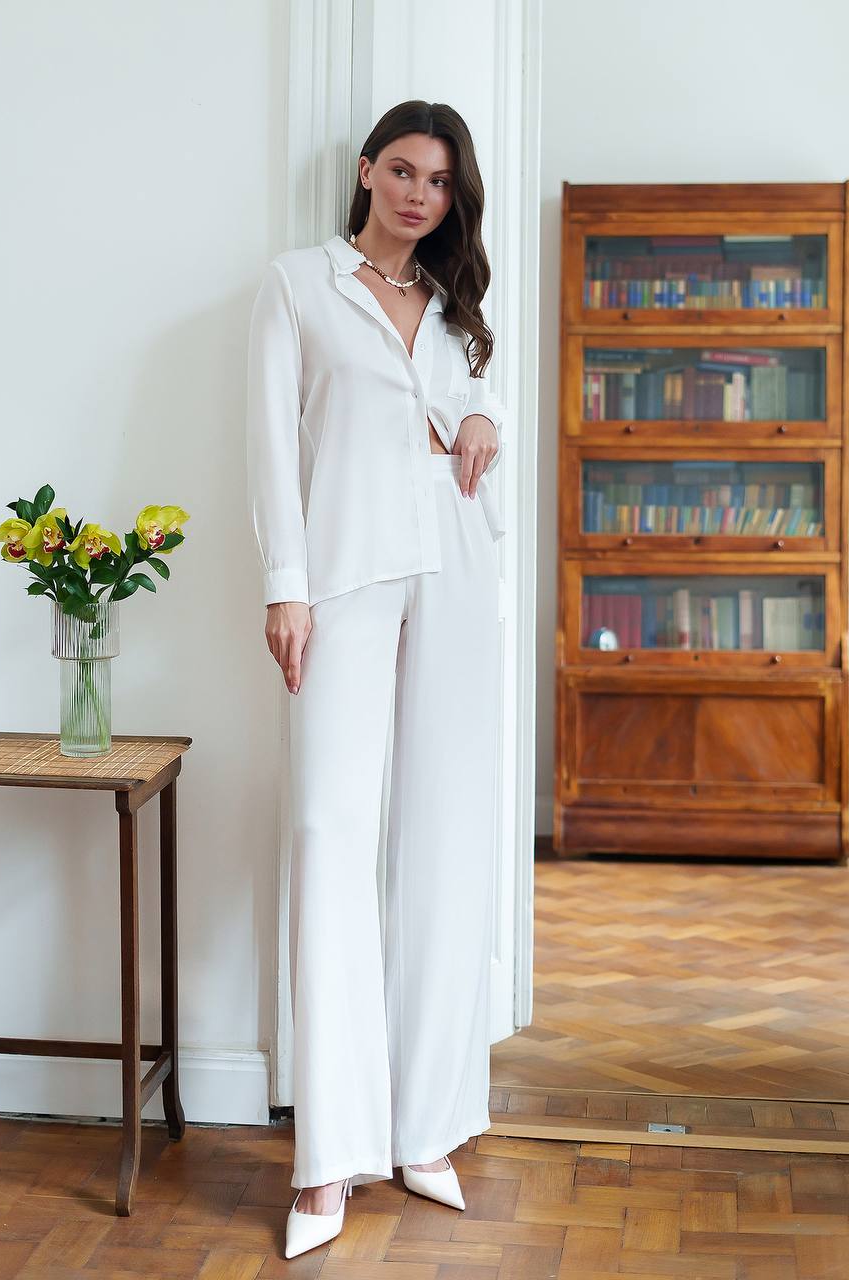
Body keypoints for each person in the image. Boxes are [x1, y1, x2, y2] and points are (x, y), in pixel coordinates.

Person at [245, 99, 506, 1260]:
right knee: (326, 831)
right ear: (365, 172)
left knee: (445, 837)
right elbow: (267, 438)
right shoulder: (299, 284)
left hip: (452, 570)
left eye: (440, 181)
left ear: (453, 199)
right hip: (345, 578)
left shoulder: (453, 308)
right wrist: (285, 583)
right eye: (402, 170)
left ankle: (425, 1123)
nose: (418, 193)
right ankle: (329, 1152)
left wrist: (482, 413)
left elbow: (457, 417)